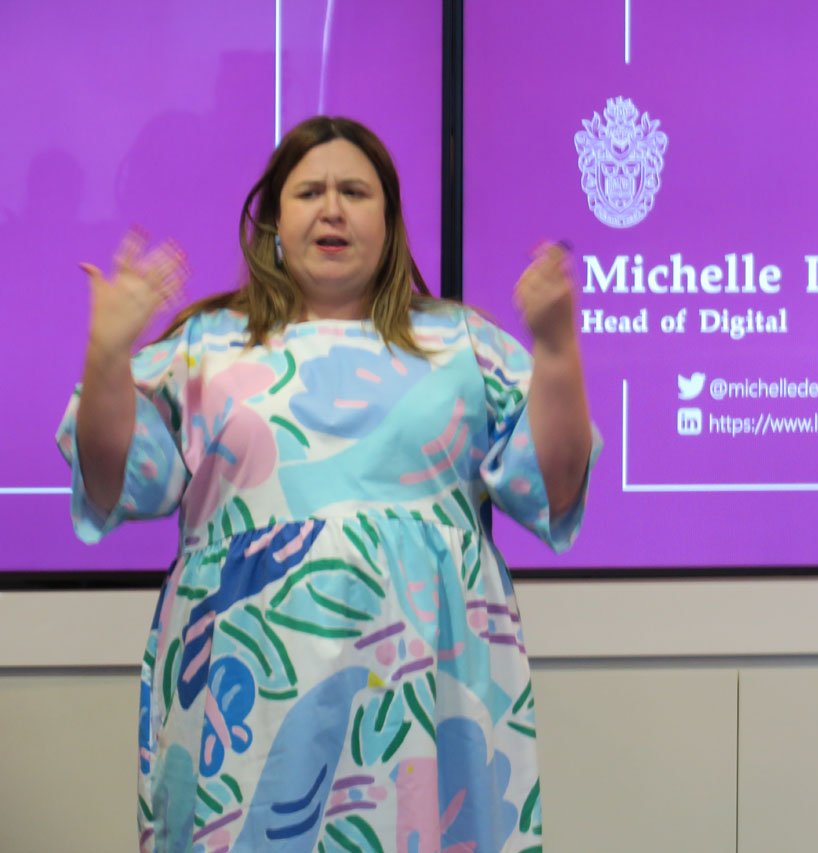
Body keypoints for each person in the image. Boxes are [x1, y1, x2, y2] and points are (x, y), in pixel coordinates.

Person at [56, 116, 600, 852]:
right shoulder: (206, 346)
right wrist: (108, 354)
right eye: (310, 192)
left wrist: (557, 348)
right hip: (247, 695)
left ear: (391, 222)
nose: (332, 209)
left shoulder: (465, 343)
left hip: (426, 696)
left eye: (355, 192)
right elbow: (110, 480)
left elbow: (555, 490)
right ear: (275, 224)